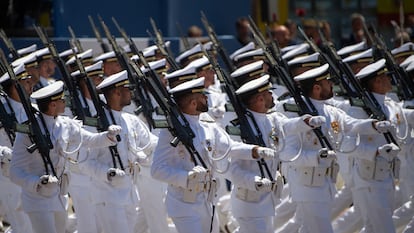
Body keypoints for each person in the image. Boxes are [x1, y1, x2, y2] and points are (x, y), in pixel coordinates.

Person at [151, 77, 277, 233]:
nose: (206, 97)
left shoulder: (208, 127)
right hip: (184, 202)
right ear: (193, 103)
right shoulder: (170, 132)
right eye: (202, 95)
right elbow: (157, 169)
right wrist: (186, 177)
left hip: (207, 200)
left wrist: (255, 151)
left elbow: (230, 148)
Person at [280, 64, 396, 233]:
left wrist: (374, 125)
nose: (331, 84)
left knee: (308, 229)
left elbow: (352, 124)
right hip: (307, 186)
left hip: (325, 184)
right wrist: (315, 157)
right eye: (328, 82)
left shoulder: (331, 112)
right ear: (317, 88)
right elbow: (287, 154)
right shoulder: (296, 116)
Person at [9, 80, 122, 233]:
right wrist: (37, 182)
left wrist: (108, 135)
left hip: (59, 195)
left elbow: (89, 140)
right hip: (37, 197)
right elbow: (15, 172)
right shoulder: (28, 131)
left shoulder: (65, 125)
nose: (65, 103)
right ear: (52, 105)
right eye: (62, 100)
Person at [229, 74, 326, 233]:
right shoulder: (239, 129)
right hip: (248, 200)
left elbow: (289, 125)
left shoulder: (272, 120)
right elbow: (230, 169)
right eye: (268, 93)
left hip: (267, 199)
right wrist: (253, 181)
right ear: (260, 99)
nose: (272, 95)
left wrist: (306, 121)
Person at [79, 70, 158, 233]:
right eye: (127, 89)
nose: (131, 93)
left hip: (130, 193)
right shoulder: (96, 124)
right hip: (107, 195)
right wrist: (107, 173)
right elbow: (84, 162)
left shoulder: (130, 120)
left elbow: (151, 143)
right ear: (117, 92)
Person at [349, 59, 414, 233]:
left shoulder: (390, 105)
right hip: (369, 178)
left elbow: (404, 126)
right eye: (385, 77)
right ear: (377, 82)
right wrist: (375, 152)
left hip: (388, 175)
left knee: (373, 227)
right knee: (385, 227)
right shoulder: (358, 110)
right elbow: (349, 145)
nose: (390, 80)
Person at [0, 64, 34, 233]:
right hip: (8, 175)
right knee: (22, 224)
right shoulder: (2, 109)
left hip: (30, 173)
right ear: (15, 86)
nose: (31, 84)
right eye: (26, 81)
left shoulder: (30, 108)